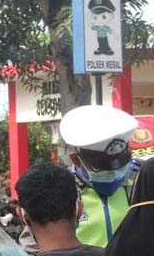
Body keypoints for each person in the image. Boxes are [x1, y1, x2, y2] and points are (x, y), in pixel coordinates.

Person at [59, 105, 138, 248]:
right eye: (103, 168)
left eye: (121, 164)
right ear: (76, 160)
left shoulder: (142, 180)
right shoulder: (60, 190)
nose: (114, 173)